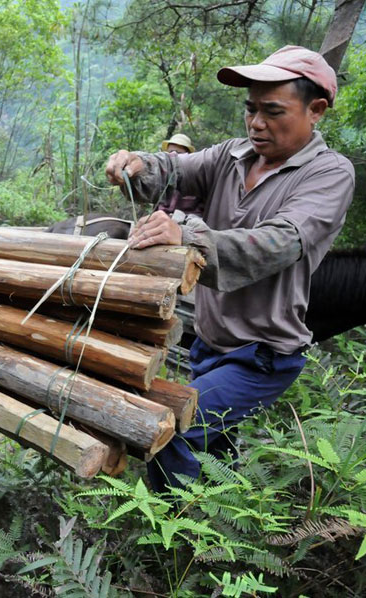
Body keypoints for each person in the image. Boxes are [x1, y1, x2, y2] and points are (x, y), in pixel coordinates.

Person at [105, 46, 354, 493]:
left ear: (315, 110)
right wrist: (140, 165)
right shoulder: (232, 156)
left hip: (261, 355)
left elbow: (277, 243)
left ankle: (167, 531)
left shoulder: (329, 175)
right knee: (213, 451)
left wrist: (186, 235)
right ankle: (221, 521)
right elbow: (175, 169)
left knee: (172, 429)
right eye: (251, 109)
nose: (256, 123)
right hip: (209, 343)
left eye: (272, 112)